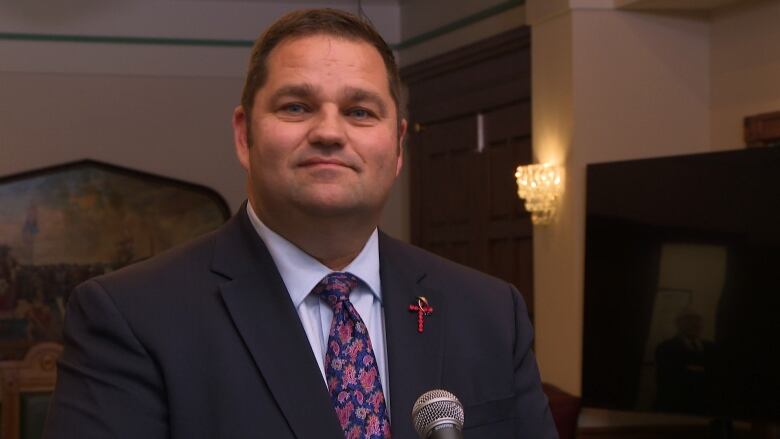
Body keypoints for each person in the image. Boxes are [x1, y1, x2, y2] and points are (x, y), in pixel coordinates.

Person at [43, 8, 556, 439]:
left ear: (398, 145)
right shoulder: (132, 317)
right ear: (245, 136)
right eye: (296, 106)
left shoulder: (489, 313)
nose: (329, 132)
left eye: (359, 112)